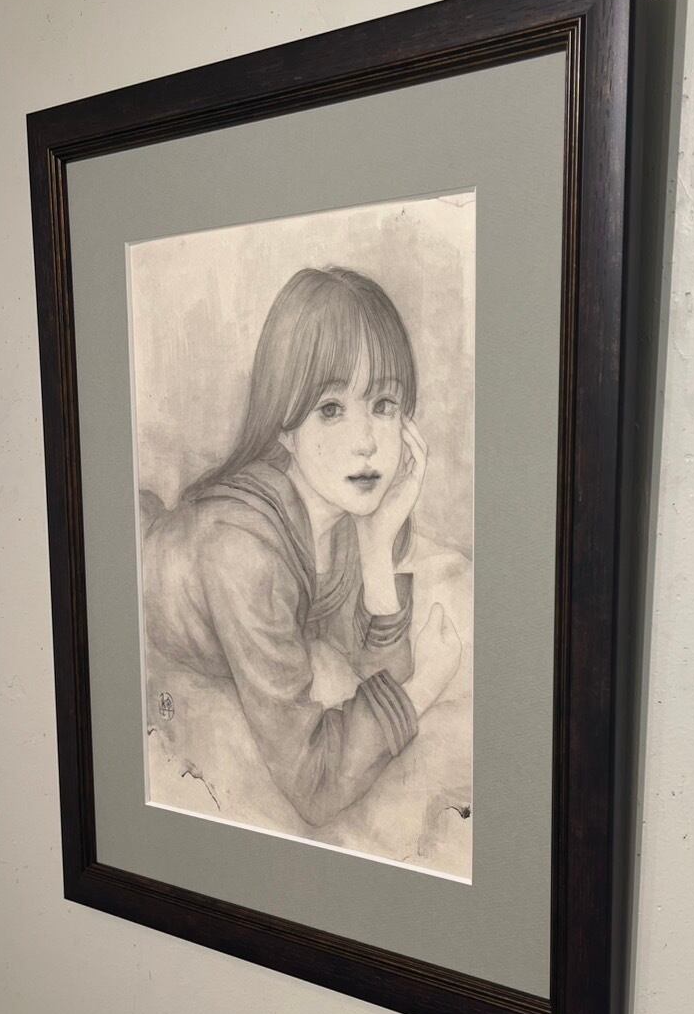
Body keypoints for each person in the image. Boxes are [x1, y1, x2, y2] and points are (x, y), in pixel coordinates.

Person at [141, 266, 463, 831]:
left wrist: (376, 547)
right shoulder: (242, 552)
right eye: (331, 408)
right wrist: (425, 691)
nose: (367, 442)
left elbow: (377, 672)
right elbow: (315, 783)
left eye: (384, 404)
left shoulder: (340, 515)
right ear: (284, 426)